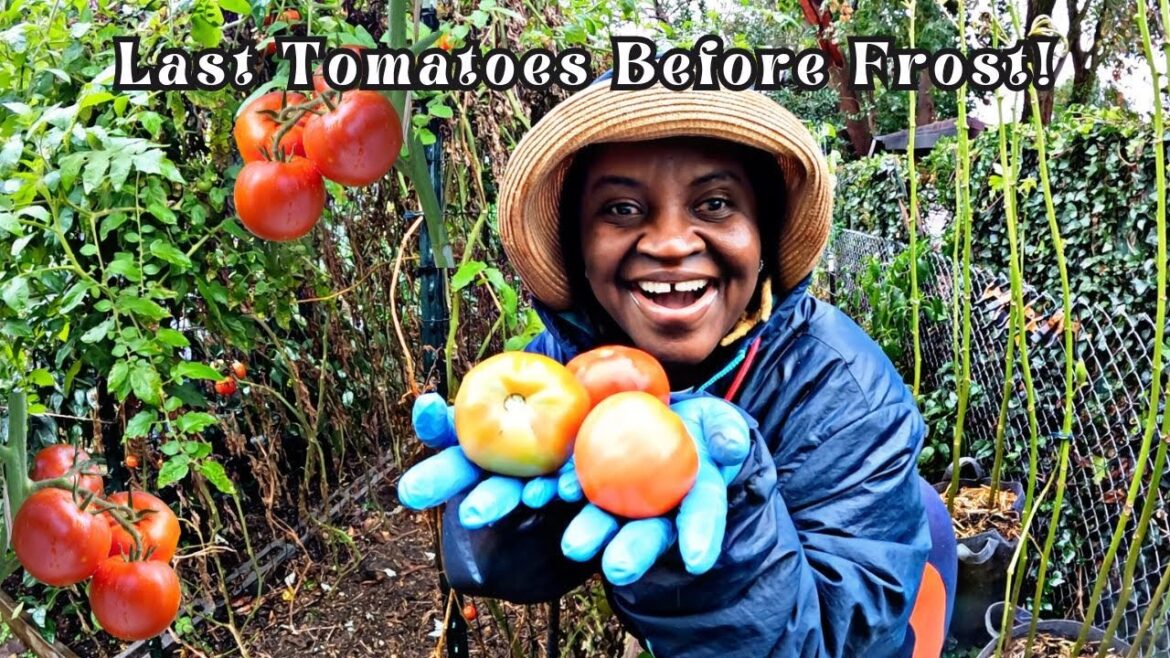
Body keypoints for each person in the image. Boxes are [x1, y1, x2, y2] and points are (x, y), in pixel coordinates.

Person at [397, 71, 957, 657]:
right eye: (621, 208)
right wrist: (512, 523)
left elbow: (843, 644)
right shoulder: (566, 369)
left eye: (715, 204)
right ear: (578, 249)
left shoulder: (843, 395)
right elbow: (495, 569)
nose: (669, 243)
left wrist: (728, 515)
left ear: (761, 235)